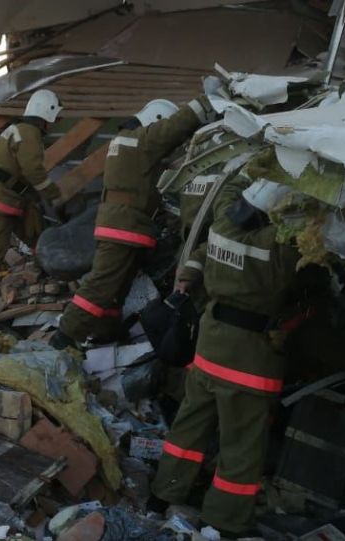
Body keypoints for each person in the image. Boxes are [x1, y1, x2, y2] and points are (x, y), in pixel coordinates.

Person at [149, 174, 300, 538]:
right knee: (241, 444)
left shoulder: (222, 226)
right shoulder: (279, 244)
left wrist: (248, 173)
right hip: (251, 359)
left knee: (189, 426)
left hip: (210, 345)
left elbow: (222, 204)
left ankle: (163, 493)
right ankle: (223, 521)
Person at [51, 96, 217, 350]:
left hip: (121, 224)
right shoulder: (141, 140)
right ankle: (63, 336)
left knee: (117, 286)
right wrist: (206, 102)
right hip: (124, 226)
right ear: (155, 120)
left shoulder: (123, 142)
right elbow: (175, 127)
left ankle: (107, 331)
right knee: (102, 284)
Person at [0, 89, 63, 304]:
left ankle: (49, 268)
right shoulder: (29, 133)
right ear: (47, 113)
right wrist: (54, 194)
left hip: (9, 196)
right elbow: (34, 171)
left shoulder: (19, 129)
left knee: (34, 231)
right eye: (54, 118)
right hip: (0, 197)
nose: (54, 124)